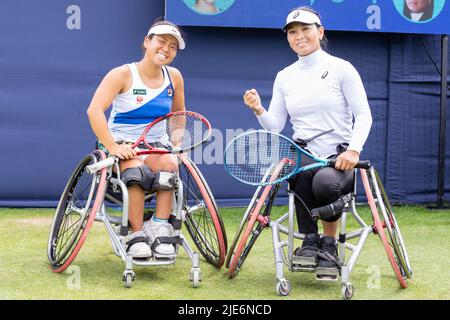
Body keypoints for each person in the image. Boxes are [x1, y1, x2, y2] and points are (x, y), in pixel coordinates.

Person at [243, 7, 372, 278]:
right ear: (288, 38)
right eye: (292, 32)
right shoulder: (285, 76)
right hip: (304, 155)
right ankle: (310, 242)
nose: (298, 36)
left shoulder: (341, 68)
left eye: (305, 29)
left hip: (339, 159)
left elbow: (363, 115)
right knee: (300, 177)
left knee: (324, 183)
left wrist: (353, 150)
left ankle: (329, 245)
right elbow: (276, 125)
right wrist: (258, 109)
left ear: (320, 32)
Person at [86, 20, 186, 259]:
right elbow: (94, 110)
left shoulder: (174, 77)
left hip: (154, 147)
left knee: (170, 165)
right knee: (137, 171)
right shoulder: (121, 74)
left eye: (173, 46)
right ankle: (137, 233)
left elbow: (178, 116)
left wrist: (177, 145)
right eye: (161, 42)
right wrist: (112, 146)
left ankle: (160, 226)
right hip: (122, 145)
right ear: (147, 42)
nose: (166, 49)